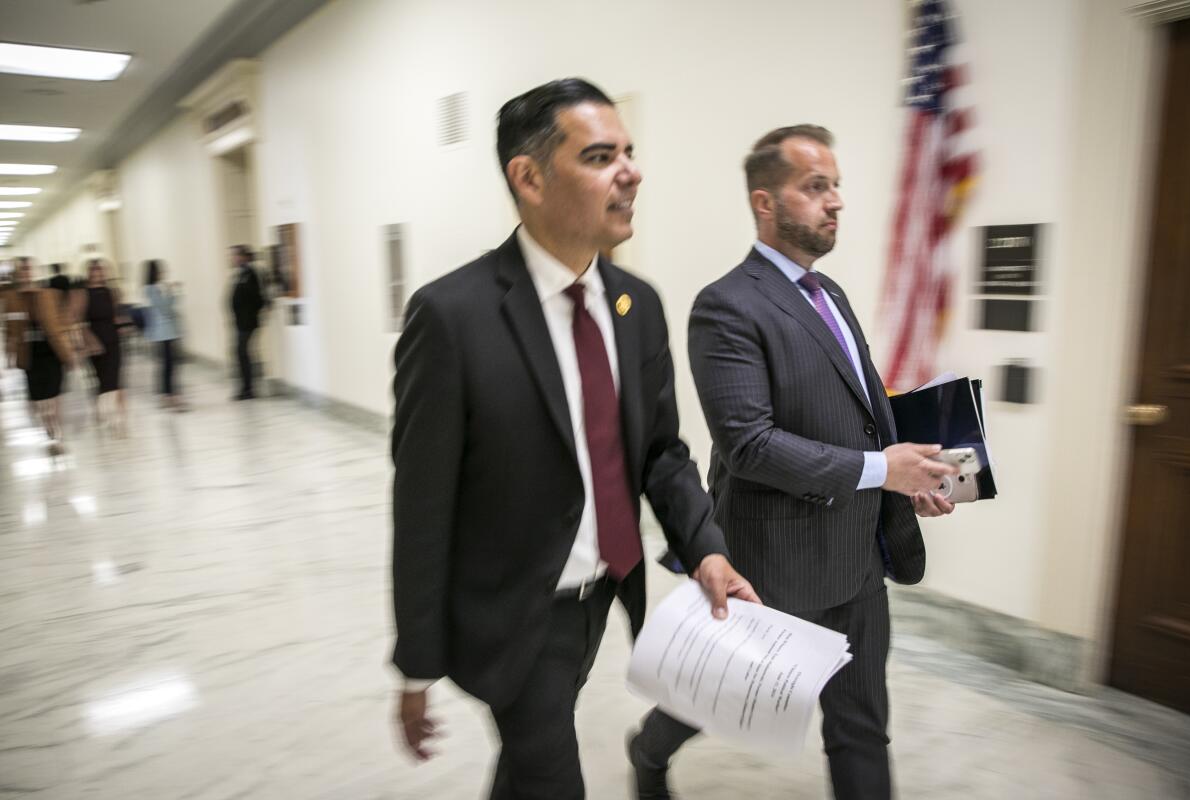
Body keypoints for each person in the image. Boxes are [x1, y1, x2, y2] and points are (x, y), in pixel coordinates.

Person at [389, 78, 759, 800]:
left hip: (604, 593)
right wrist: (416, 664)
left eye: (629, 152)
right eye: (599, 157)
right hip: (514, 607)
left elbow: (661, 452)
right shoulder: (452, 317)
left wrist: (707, 549)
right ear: (528, 178)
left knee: (531, 765)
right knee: (554, 775)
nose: (631, 172)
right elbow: (422, 504)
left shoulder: (637, 304)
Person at [628, 125, 959, 800]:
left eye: (836, 186)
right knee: (712, 693)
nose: (835, 201)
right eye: (815, 187)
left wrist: (911, 477)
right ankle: (649, 750)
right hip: (775, 561)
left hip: (860, 559)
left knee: (862, 727)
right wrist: (879, 469)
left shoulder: (829, 293)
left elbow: (866, 412)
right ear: (765, 203)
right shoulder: (726, 306)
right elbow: (750, 444)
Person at [5, 257, 74, 453]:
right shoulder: (12, 299)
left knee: (54, 397)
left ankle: (58, 436)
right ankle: (49, 431)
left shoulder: (48, 295)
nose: (26, 273)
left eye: (29, 270)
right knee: (39, 400)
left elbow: (61, 323)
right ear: (19, 274)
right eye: (23, 270)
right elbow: (10, 329)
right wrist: (10, 355)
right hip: (30, 354)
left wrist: (70, 350)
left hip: (52, 351)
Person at [79, 258, 128, 436]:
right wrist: (87, 342)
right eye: (94, 271)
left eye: (101, 271)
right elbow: (80, 321)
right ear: (89, 273)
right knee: (101, 379)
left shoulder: (110, 291)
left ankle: (117, 417)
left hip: (113, 339)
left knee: (113, 378)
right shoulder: (83, 293)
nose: (98, 274)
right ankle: (104, 412)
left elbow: (116, 314)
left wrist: (123, 327)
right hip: (94, 339)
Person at [143, 259, 185, 410]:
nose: (163, 273)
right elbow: (165, 308)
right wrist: (173, 292)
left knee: (170, 365)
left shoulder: (155, 288)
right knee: (168, 365)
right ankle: (168, 396)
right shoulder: (151, 289)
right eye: (160, 270)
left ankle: (169, 394)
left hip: (168, 332)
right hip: (162, 333)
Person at [228, 245, 264, 400]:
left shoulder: (250, 273)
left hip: (247, 322)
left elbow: (257, 298)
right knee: (240, 353)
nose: (233, 258)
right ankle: (245, 388)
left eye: (235, 255)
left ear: (243, 256)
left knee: (242, 353)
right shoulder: (240, 273)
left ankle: (248, 389)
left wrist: (248, 314)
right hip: (240, 322)